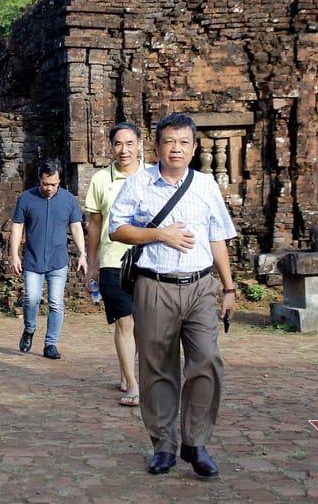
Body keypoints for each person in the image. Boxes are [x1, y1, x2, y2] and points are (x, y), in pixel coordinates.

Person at [109, 112, 237, 478]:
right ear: (158, 146)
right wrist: (159, 235)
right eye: (169, 141)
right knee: (157, 369)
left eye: (184, 142)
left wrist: (228, 288)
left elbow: (217, 238)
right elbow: (117, 230)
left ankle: (195, 443)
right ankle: (163, 446)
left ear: (195, 148)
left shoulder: (206, 185)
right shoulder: (140, 183)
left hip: (200, 287)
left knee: (207, 361)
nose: (176, 148)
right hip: (154, 286)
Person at [84, 121, 144, 407]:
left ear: (140, 145)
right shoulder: (100, 180)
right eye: (118, 143)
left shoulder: (153, 177)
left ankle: (130, 371)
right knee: (125, 321)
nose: (124, 150)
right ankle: (132, 384)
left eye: (130, 143)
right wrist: (91, 263)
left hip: (149, 260)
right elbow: (95, 224)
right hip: (112, 261)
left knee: (144, 324)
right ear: (111, 146)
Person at [10, 159, 88, 360]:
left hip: (58, 259)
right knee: (32, 298)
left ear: (60, 180)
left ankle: (50, 343)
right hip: (33, 259)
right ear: (39, 180)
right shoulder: (26, 199)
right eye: (46, 184)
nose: (49, 188)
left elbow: (76, 226)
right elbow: (17, 227)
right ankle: (29, 329)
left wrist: (82, 253)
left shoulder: (69, 200)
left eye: (54, 184)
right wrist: (14, 254)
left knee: (55, 302)